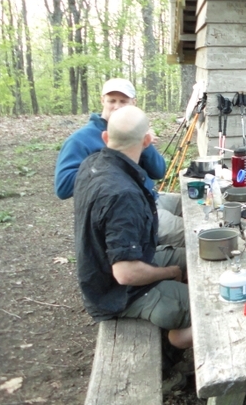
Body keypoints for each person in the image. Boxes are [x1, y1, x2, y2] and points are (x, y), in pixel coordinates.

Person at [73, 105, 192, 350]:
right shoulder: (122, 194)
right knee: (213, 302)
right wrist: (169, 273)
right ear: (147, 141)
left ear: (105, 137)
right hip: (118, 294)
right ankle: (173, 348)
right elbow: (125, 273)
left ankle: (177, 322)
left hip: (106, 272)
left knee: (192, 257)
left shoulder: (92, 163)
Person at [55, 78, 184, 247]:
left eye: (123, 101)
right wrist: (111, 158)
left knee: (191, 204)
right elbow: (63, 187)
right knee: (193, 231)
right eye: (111, 101)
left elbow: (159, 171)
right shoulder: (80, 140)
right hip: (127, 211)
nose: (117, 106)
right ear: (102, 101)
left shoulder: (136, 129)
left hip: (149, 197)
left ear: (134, 103)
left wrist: (143, 142)